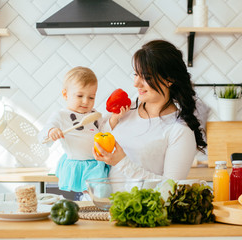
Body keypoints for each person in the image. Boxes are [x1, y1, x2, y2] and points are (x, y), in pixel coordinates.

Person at [93, 40, 207, 181]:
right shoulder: (125, 109)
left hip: (139, 204)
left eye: (146, 77)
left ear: (169, 79)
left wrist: (121, 162)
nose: (136, 83)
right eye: (135, 74)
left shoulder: (180, 130)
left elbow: (171, 189)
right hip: (101, 202)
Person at [38, 66, 125, 194]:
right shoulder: (60, 115)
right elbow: (42, 135)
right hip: (77, 164)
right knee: (85, 195)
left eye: (91, 97)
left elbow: (103, 132)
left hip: (96, 164)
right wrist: (51, 131)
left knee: (103, 193)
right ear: (65, 94)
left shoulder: (94, 114)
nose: (86, 102)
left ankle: (97, 213)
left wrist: (114, 119)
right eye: (80, 96)